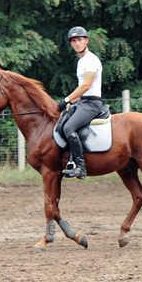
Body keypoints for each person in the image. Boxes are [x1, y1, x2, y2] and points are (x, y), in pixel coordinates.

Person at [57, 26, 105, 179]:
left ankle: (81, 167)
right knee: (62, 122)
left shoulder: (90, 60)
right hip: (84, 102)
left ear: (86, 41)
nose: (77, 43)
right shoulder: (81, 61)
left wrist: (66, 100)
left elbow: (86, 86)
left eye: (79, 40)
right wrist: (72, 102)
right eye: (73, 41)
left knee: (69, 127)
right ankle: (69, 161)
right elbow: (81, 90)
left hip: (92, 104)